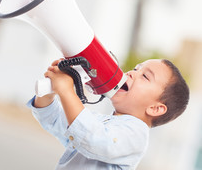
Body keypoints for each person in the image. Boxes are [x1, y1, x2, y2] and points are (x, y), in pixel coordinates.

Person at [27, 58, 189, 169]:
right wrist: (50, 92)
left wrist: (66, 90)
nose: (132, 73)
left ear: (155, 108)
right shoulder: (101, 122)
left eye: (145, 76)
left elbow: (92, 138)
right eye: (135, 69)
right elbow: (52, 120)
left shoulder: (136, 135)